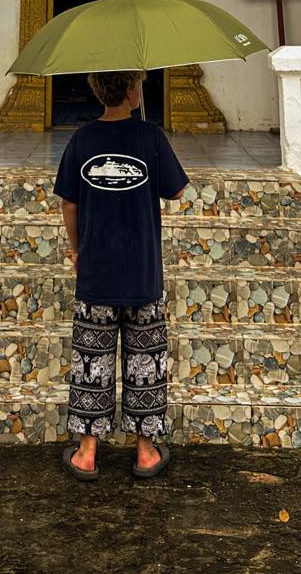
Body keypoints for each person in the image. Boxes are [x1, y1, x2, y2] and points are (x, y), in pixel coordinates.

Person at [54, 68, 188, 481]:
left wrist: (77, 249)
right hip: (143, 276)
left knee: (91, 361)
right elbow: (177, 190)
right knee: (145, 360)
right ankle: (146, 452)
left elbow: (68, 204)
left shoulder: (81, 140)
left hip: (96, 273)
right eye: (139, 84)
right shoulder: (150, 138)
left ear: (97, 90)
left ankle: (88, 453)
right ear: (131, 91)